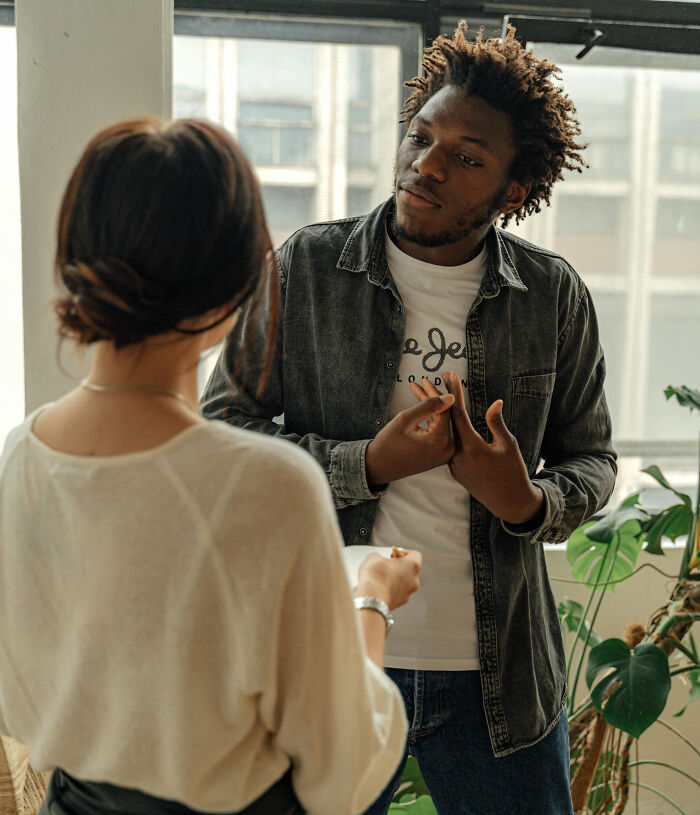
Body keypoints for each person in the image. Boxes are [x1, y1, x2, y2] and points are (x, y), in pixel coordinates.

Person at [202, 22, 617, 815]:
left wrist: (524, 498)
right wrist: (369, 463)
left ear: (514, 190)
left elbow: (594, 461)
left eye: (467, 157)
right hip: (336, 656)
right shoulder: (307, 268)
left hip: (501, 682)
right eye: (421, 137)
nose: (426, 164)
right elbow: (223, 436)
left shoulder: (553, 295)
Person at [0, 118, 428, 815]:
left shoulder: (20, 456)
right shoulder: (266, 483)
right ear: (238, 281)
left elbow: (25, 705)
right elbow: (342, 773)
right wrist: (372, 596)